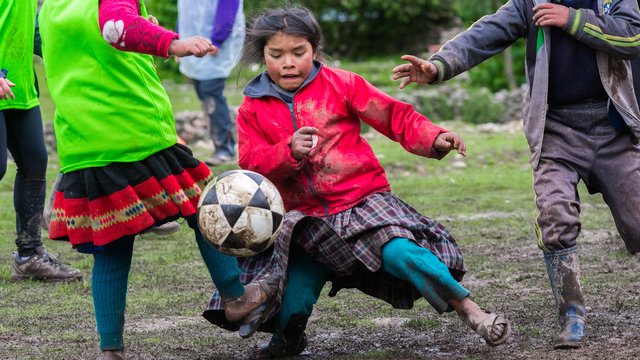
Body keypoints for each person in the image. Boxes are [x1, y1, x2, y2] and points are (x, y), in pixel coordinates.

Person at [202, 7, 510, 359]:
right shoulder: (252, 108)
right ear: (263, 56)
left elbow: (395, 117)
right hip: (304, 222)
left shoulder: (342, 83)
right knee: (295, 299)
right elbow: (252, 164)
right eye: (277, 55)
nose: (288, 63)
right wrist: (287, 151)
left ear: (314, 50)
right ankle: (286, 340)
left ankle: (471, 311)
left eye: (298, 53)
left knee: (405, 253)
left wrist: (434, 137)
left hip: (363, 203)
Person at [392, 0, 640, 350]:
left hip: (613, 126)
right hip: (555, 130)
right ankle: (572, 313)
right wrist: (438, 66)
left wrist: (573, 19)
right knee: (555, 217)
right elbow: (487, 32)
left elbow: (633, 35)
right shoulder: (531, 3)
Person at [38, 0, 272, 358]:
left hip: (83, 142)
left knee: (112, 247)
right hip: (135, 134)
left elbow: (84, 39)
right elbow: (115, 29)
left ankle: (110, 349)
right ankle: (235, 299)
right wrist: (172, 43)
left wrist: (138, 25)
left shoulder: (51, 8)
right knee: (205, 206)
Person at [0, 0, 82, 282]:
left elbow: (30, 29)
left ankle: (29, 255)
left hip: (20, 88)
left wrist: (80, 45)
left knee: (35, 163)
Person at [177, 0, 245, 166]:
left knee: (211, 93)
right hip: (194, 44)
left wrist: (218, 39)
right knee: (203, 92)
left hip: (213, 46)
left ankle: (225, 148)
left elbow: (228, 8)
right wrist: (177, 40)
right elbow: (185, 14)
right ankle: (220, 143)